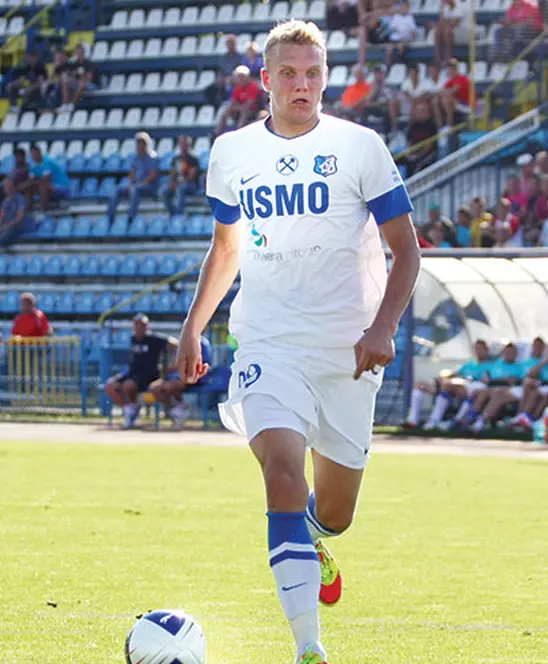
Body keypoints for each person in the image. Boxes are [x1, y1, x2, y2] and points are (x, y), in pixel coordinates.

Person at [175, 20, 420, 664]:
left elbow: (406, 251)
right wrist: (194, 325)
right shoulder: (231, 153)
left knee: (335, 512)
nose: (301, 84)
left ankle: (316, 537)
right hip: (267, 343)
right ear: (266, 80)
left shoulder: (361, 147)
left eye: (312, 73)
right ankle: (308, 647)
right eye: (288, 72)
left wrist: (382, 328)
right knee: (282, 476)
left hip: (348, 351)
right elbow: (226, 247)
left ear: (326, 78)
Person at [105, 314, 175, 430]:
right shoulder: (133, 339)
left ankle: (132, 412)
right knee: (110, 386)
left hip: (148, 375)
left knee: (128, 386)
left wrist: (172, 364)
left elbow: (174, 344)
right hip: (132, 373)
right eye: (136, 324)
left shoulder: (153, 339)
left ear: (147, 326)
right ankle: (129, 409)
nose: (139, 327)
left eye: (142, 325)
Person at [406, 339, 492, 430]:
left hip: (471, 388)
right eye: (476, 348)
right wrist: (443, 376)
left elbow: (486, 381)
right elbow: (454, 373)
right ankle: (412, 421)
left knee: (447, 386)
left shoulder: (491, 365)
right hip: (456, 385)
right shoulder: (469, 364)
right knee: (420, 385)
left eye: (480, 349)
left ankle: (434, 421)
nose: (478, 351)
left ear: (486, 350)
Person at [150, 335, 213, 430]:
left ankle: (180, 410)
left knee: (170, 387)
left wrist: (180, 367)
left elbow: (201, 363)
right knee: (155, 388)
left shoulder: (202, 343)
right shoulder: (182, 342)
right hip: (177, 375)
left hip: (194, 375)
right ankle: (177, 409)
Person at [105, 132, 159, 225]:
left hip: (149, 187)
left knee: (135, 189)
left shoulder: (152, 158)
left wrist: (140, 183)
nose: (139, 146)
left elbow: (153, 176)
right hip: (137, 185)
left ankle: (131, 217)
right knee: (117, 190)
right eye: (138, 143)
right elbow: (132, 174)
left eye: (142, 143)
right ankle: (110, 217)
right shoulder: (135, 158)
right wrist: (131, 184)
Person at [160, 136, 202, 217]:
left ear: (189, 145)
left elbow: (191, 177)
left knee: (181, 189)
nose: (183, 146)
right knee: (164, 191)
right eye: (181, 144)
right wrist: (172, 183)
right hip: (178, 184)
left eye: (185, 144)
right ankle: (173, 213)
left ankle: (179, 215)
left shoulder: (194, 159)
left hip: (191, 185)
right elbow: (172, 174)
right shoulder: (175, 159)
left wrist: (178, 184)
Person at [25, 144, 70, 210]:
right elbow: (30, 180)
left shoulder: (47, 162)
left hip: (62, 186)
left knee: (42, 186)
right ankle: (28, 210)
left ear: (39, 152)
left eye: (34, 153)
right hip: (50, 186)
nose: (33, 156)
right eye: (31, 154)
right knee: (29, 187)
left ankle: (44, 210)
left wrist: (34, 181)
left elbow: (45, 180)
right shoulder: (33, 165)